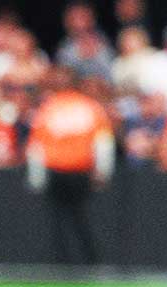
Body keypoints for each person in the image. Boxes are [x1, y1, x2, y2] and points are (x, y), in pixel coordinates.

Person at [26, 66, 114, 265]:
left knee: (60, 220)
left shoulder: (50, 107)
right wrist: (103, 171)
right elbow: (103, 142)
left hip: (59, 169)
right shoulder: (89, 106)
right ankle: (90, 263)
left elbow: (36, 146)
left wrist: (36, 177)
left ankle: (64, 264)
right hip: (79, 170)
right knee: (81, 218)